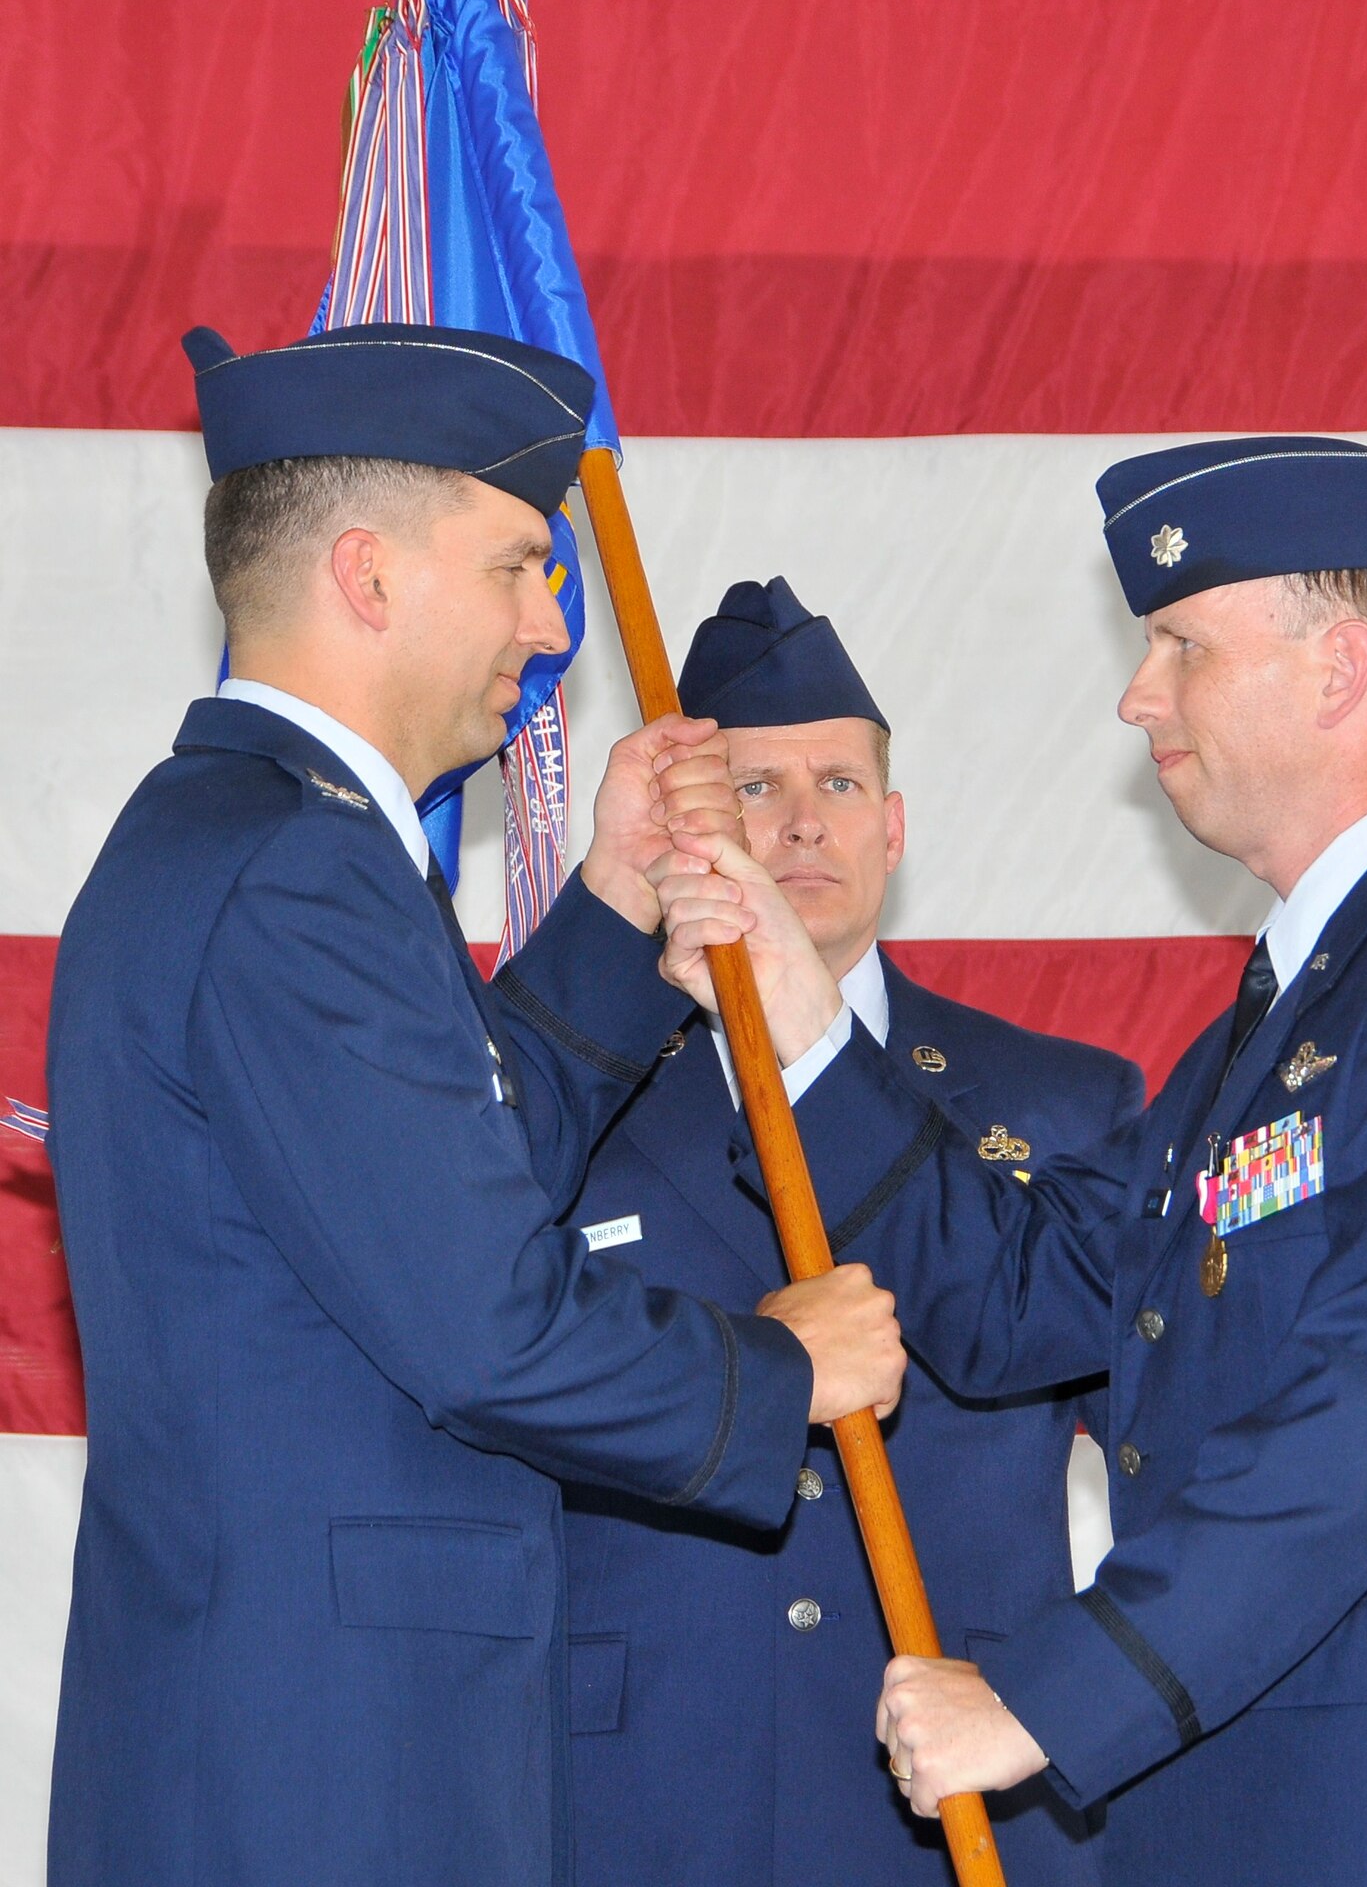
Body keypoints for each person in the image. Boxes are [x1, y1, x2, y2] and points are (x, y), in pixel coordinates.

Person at [655, 437, 1367, 1885]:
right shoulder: (1283, 1022)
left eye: (1181, 644)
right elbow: (1023, 1294)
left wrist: (1048, 1694)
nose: (1138, 695)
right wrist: (803, 1017)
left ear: (1339, 670)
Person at [43, 322, 905, 1887]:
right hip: (331, 1773)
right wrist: (783, 1367)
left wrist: (613, 903)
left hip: (291, 1741)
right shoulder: (299, 869)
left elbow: (437, 1192)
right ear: (368, 576)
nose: (551, 619)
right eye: (517, 565)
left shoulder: (243, 837)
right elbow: (487, 1326)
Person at [558, 577, 1142, 1887]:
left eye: (837, 782)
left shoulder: (1059, 1104)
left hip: (961, 1801)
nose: (802, 821)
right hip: (641, 1796)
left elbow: (1174, 1461)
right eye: (753, 788)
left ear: (894, 825)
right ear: (681, 831)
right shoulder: (572, 1095)